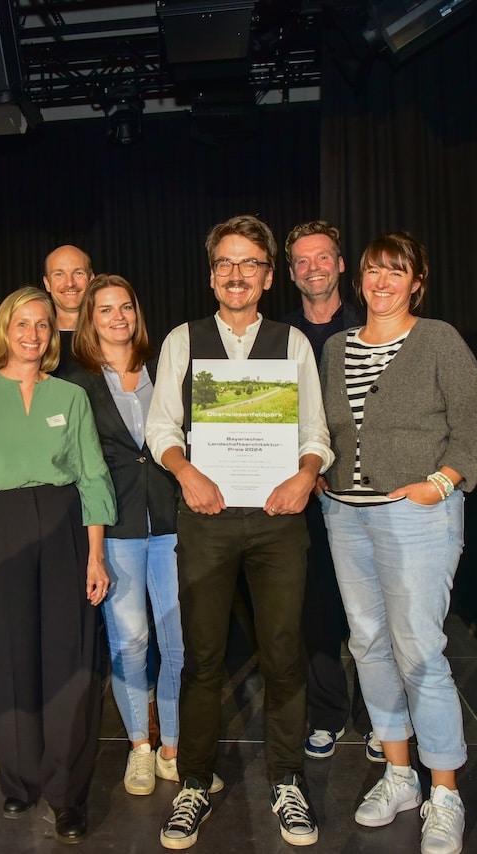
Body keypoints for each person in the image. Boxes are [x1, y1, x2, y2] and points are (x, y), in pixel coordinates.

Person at [146, 214, 331, 849]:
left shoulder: (293, 342)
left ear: (269, 275)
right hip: (207, 517)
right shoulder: (183, 340)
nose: (236, 274)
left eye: (250, 263)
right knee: (202, 658)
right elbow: (162, 426)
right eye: (225, 263)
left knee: (282, 656)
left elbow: (315, 431)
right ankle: (195, 782)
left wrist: (306, 474)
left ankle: (286, 780)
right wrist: (184, 472)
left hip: (279, 519)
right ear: (210, 274)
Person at [319, 231, 477, 854]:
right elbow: (323, 426)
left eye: (397, 271)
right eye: (373, 271)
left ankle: (445, 791)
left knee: (420, 649)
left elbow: (475, 426)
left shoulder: (438, 339)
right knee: (368, 644)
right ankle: (398, 775)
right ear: (358, 280)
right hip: (345, 516)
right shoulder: (336, 347)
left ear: (416, 280)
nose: (383, 282)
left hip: (416, 517)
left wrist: (440, 484)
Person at [0, 286, 116, 844]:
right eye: (22, 323)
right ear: (4, 330)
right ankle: (19, 781)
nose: (33, 334)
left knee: (68, 662)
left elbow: (92, 477)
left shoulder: (70, 396)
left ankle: (67, 796)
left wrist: (95, 555)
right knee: (10, 658)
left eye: (43, 325)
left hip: (64, 525)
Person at [62, 274, 187, 797]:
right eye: (105, 309)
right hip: (115, 528)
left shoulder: (166, 369)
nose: (118, 318)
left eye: (126, 307)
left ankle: (174, 747)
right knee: (131, 641)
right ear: (90, 320)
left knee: (180, 644)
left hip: (175, 524)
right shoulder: (75, 383)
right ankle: (139, 746)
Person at [282, 220, 380, 764]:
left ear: (342, 265)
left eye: (323, 258)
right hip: (303, 495)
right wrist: (303, 468)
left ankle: (377, 717)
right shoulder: (281, 337)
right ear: (290, 273)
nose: (314, 268)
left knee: (371, 610)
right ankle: (326, 715)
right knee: (314, 610)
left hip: (365, 492)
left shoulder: (374, 326)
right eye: (302, 260)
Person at [43, 243, 92, 370]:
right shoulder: (37, 340)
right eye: (59, 274)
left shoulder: (111, 335)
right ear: (47, 283)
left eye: (78, 273)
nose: (70, 283)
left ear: (91, 280)